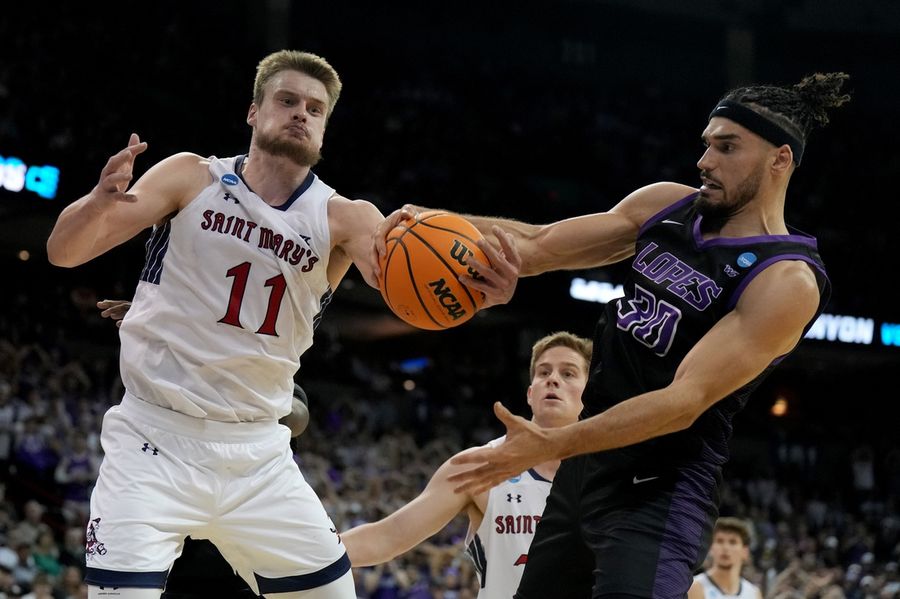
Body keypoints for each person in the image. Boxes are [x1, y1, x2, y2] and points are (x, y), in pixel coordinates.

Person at [375, 72, 850, 598]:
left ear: (779, 159)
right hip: (583, 473)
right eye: (706, 144)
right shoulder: (667, 206)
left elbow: (682, 402)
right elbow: (538, 245)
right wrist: (426, 224)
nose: (705, 160)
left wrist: (553, 443)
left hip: (659, 488)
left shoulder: (785, 279)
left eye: (727, 146)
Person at [45, 49, 398, 598]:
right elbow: (64, 252)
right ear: (254, 112)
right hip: (152, 441)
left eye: (315, 108)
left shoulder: (346, 218)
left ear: (325, 129)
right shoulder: (191, 175)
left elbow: (408, 284)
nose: (301, 113)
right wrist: (96, 202)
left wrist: (469, 270)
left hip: (259, 456)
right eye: (286, 101)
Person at [340, 331, 591, 598]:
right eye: (543, 373)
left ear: (591, 393)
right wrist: (303, 554)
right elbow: (388, 537)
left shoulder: (611, 473)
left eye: (568, 373)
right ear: (530, 394)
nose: (552, 379)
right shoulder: (480, 464)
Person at [96, 299, 311, 599]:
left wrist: (242, 393)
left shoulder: (269, 373)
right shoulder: (179, 382)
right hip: (180, 564)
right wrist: (159, 319)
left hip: (243, 562)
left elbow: (298, 417)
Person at [688, 517, 762, 599]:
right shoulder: (694, 587)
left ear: (745, 552)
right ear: (711, 548)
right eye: (720, 541)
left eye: (732, 542)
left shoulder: (754, 593)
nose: (725, 547)